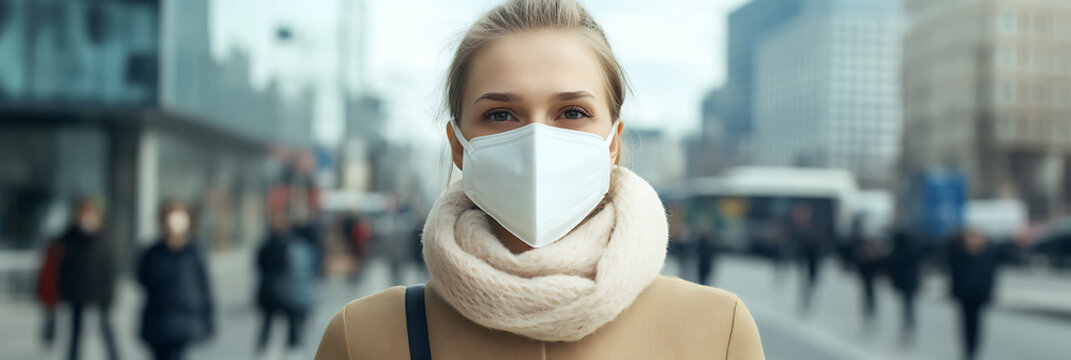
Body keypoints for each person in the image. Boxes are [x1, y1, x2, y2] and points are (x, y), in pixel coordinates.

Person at [315, 1, 764, 358]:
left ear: (612, 143)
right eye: (500, 114)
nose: (536, 139)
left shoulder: (718, 331)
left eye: (572, 112)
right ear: (458, 146)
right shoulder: (365, 339)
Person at [136, 201, 215, 360]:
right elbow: (143, 278)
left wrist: (207, 319)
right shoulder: (153, 252)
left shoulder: (193, 252)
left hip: (183, 321)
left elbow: (203, 287)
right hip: (158, 319)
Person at [58, 198, 119, 360]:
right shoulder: (69, 238)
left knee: (106, 329)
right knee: (75, 333)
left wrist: (109, 294)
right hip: (76, 293)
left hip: (100, 293)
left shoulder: (103, 237)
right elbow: (62, 268)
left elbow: (110, 269)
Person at [256, 211, 318, 357]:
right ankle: (267, 350)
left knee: (290, 324)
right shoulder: (273, 244)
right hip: (274, 292)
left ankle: (290, 351)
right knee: (271, 323)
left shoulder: (291, 244)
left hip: (286, 292)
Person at [948, 229, 1003, 360]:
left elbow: (990, 277)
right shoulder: (959, 254)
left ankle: (973, 351)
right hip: (964, 295)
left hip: (979, 295)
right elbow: (954, 274)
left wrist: (989, 293)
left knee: (977, 325)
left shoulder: (989, 254)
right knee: (965, 324)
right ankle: (967, 350)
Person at [887, 230, 921, 345]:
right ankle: (909, 324)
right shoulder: (912, 249)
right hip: (910, 283)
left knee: (906, 306)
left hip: (904, 283)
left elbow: (891, 265)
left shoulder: (897, 251)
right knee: (909, 305)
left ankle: (908, 325)